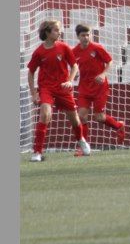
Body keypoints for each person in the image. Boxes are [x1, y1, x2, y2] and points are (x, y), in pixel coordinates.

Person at [27, 20, 90, 162]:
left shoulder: (64, 47)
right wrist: (34, 93)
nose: (59, 32)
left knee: (74, 119)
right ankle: (37, 152)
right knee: (45, 115)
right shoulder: (39, 52)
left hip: (63, 88)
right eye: (56, 30)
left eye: (59, 29)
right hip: (46, 88)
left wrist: (69, 80)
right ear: (47, 33)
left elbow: (74, 66)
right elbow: (31, 73)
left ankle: (81, 140)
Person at [72, 24, 126, 149]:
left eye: (88, 34)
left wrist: (103, 74)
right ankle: (82, 147)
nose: (86, 37)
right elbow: (73, 66)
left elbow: (110, 61)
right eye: (83, 35)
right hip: (84, 87)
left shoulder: (97, 47)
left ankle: (119, 126)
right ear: (78, 37)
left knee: (99, 117)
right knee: (81, 117)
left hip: (99, 87)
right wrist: (73, 75)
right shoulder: (74, 52)